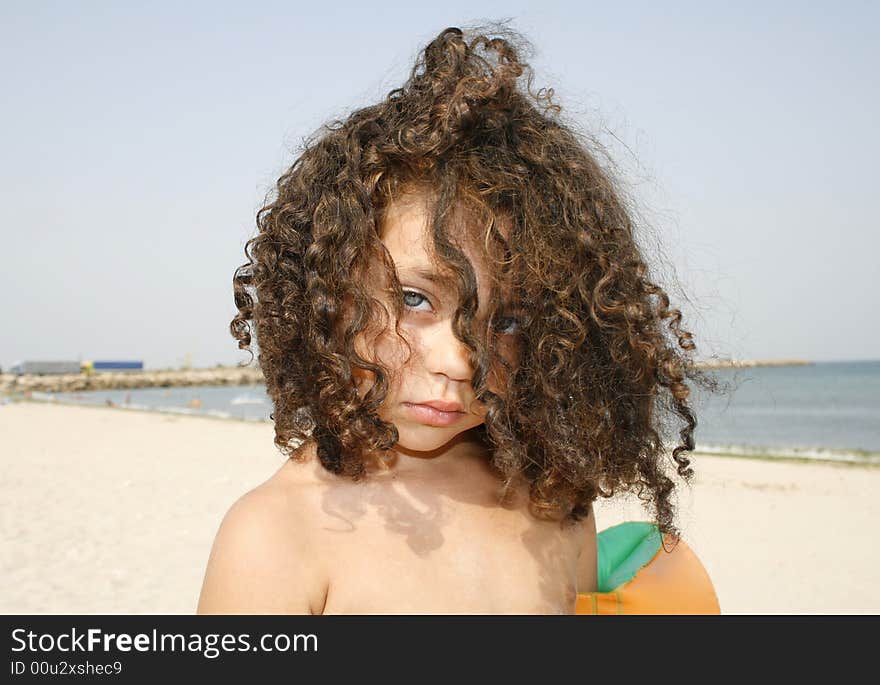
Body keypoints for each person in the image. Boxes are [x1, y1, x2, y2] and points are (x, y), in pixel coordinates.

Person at [197, 24, 722, 615]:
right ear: (328, 291)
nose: (458, 361)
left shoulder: (552, 500)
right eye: (414, 299)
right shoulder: (274, 537)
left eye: (511, 321)